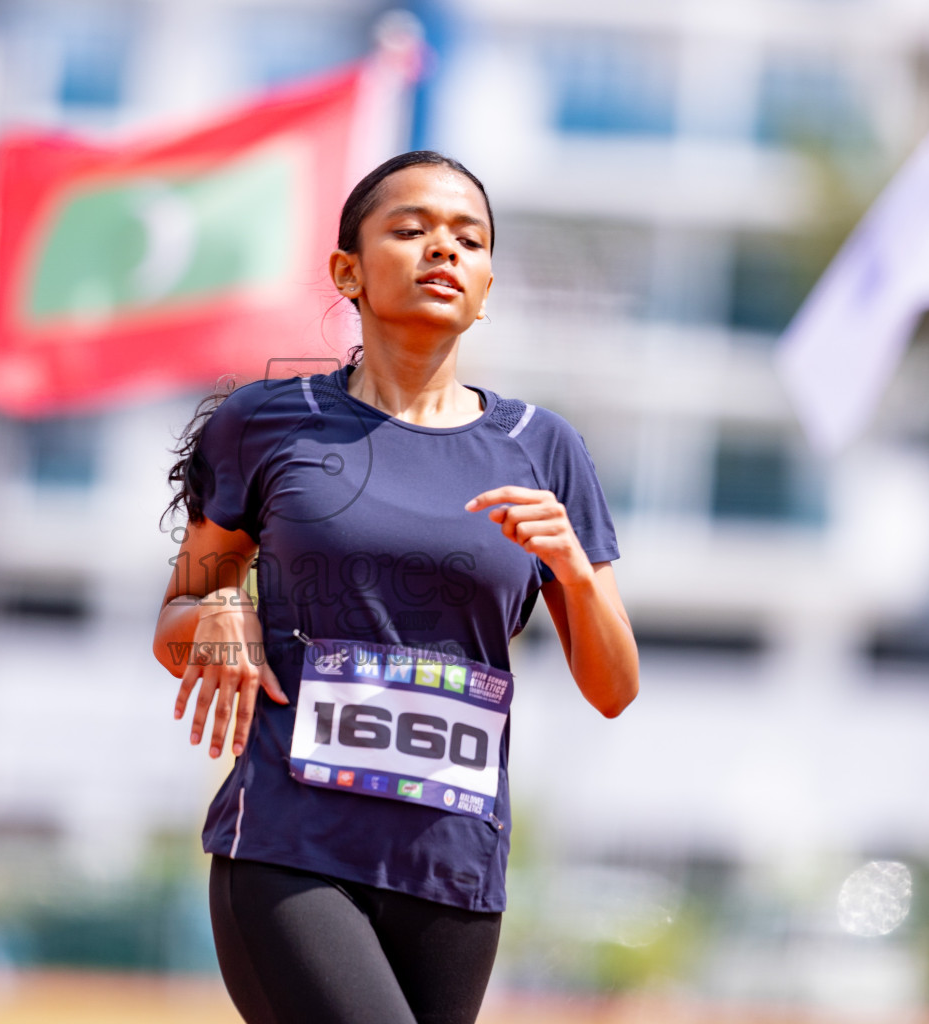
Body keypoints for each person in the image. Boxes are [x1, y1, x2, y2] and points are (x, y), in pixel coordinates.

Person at [152, 150, 639, 1024]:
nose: (442, 251)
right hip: (289, 849)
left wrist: (573, 568)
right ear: (348, 271)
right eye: (410, 231)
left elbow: (613, 687)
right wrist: (217, 608)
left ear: (488, 282)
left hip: (454, 868)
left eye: (468, 239)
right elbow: (176, 617)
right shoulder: (264, 426)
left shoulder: (544, 448)